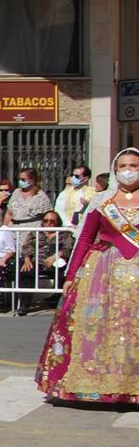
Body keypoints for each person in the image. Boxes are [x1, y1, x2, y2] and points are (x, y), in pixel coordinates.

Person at [37, 147, 139, 402]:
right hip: (101, 273)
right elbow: (84, 239)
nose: (128, 171)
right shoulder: (102, 200)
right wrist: (71, 275)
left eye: (134, 166)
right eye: (123, 166)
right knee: (97, 327)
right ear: (116, 170)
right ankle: (98, 385)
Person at [6, 166, 53, 231]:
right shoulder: (16, 193)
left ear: (32, 180)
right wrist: (5, 228)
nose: (20, 181)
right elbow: (9, 213)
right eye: (19, 179)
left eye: (23, 179)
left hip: (32, 231)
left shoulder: (41, 196)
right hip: (14, 230)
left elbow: (48, 215)